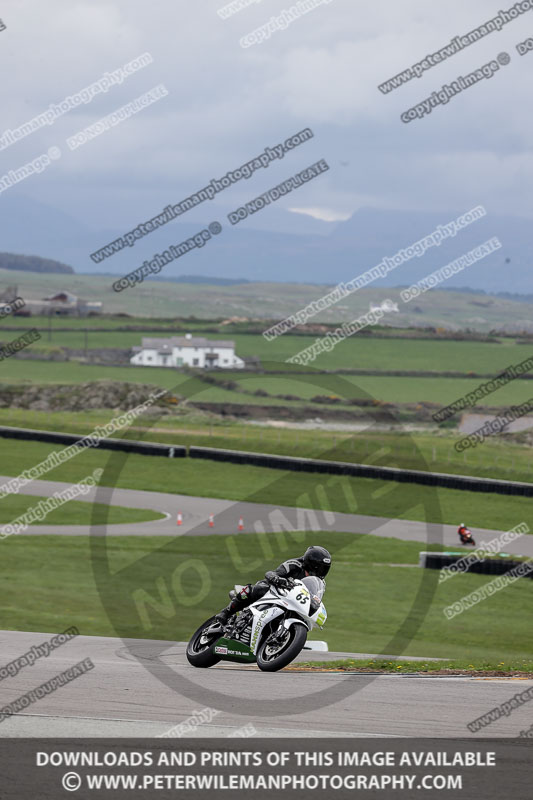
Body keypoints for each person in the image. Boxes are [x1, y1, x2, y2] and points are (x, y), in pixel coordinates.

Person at [215, 545, 332, 625]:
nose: (321, 571)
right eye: (319, 568)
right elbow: (272, 573)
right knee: (259, 588)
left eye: (324, 569)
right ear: (310, 564)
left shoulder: (320, 583)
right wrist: (277, 579)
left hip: (291, 602)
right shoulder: (294, 564)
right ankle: (226, 612)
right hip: (274, 591)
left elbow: (315, 597)